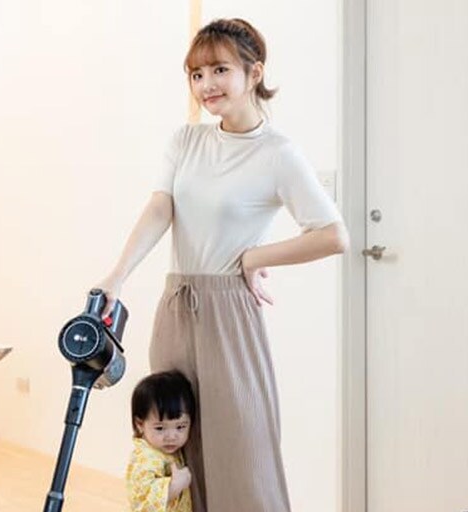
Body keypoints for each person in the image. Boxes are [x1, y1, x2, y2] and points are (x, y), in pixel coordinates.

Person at [97, 18, 349, 512]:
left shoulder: (278, 154)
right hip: (176, 307)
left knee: (241, 451)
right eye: (195, 74)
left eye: (219, 70)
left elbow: (333, 234)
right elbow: (160, 209)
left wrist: (253, 257)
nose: (206, 85)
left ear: (254, 73)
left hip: (230, 315)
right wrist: (118, 276)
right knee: (172, 444)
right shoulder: (185, 141)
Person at [127, 370, 195, 512]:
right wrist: (174, 486)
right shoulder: (145, 459)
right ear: (140, 425)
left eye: (180, 427)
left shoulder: (165, 450)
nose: (171, 436)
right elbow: (143, 504)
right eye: (160, 428)